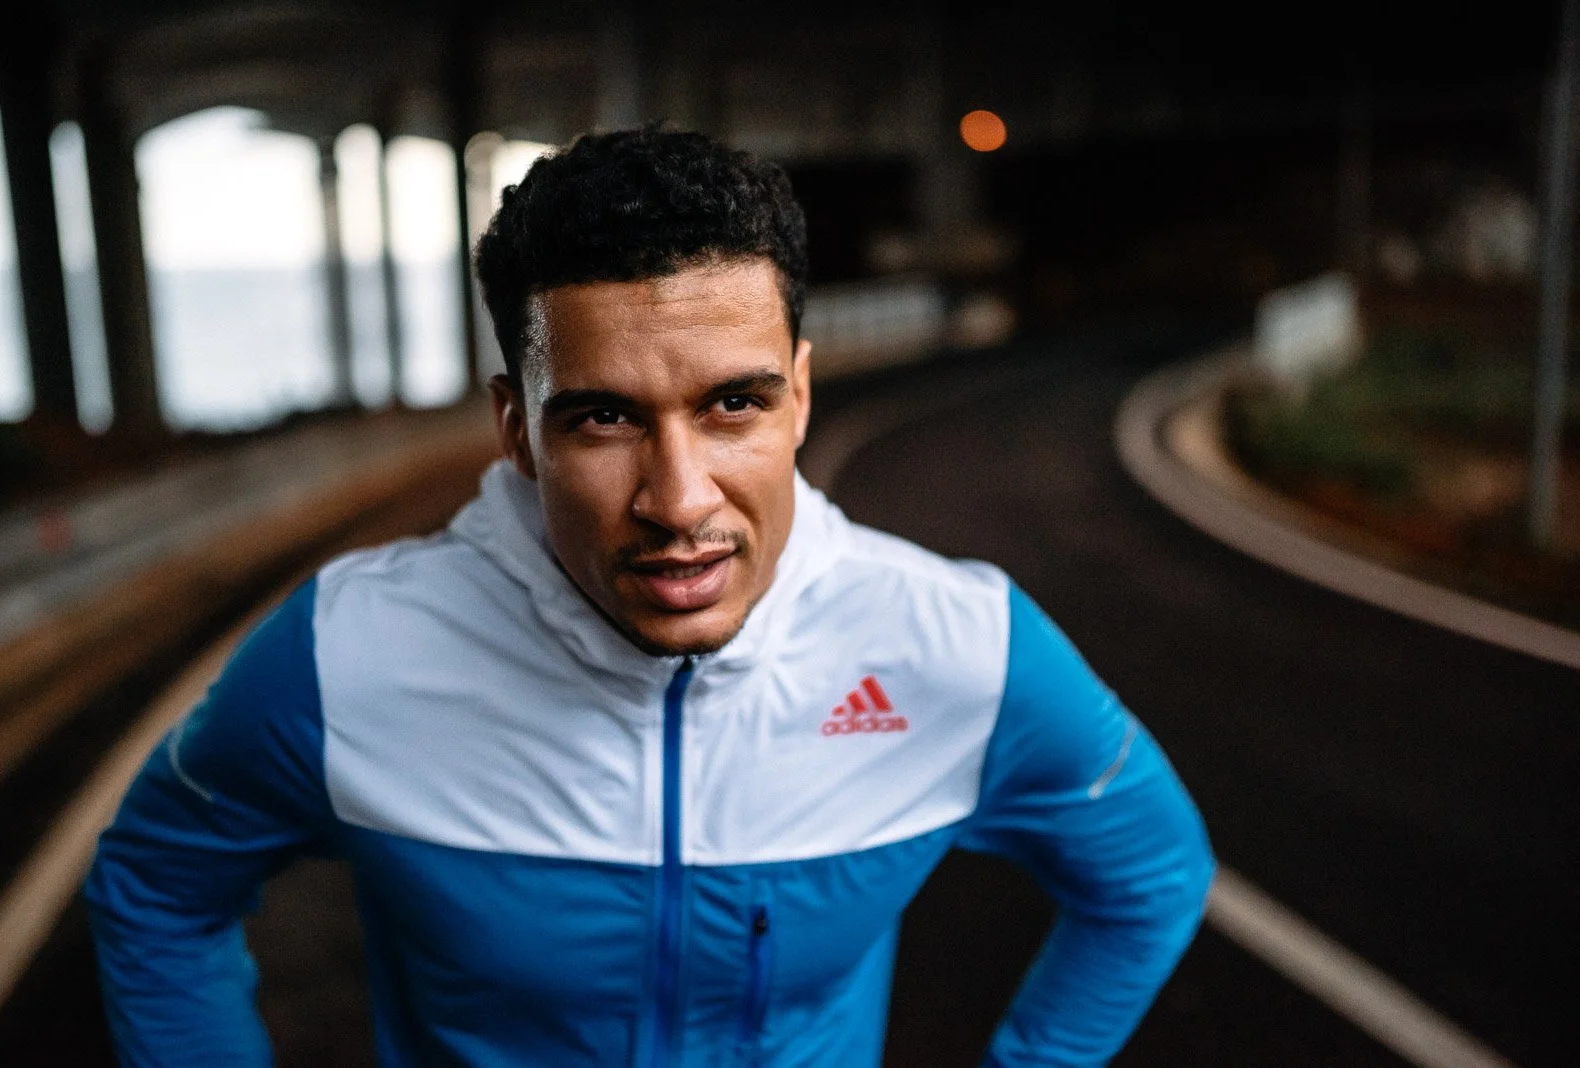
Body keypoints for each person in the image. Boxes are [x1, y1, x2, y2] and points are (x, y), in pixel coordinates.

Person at [86, 126, 1214, 1067]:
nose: (678, 502)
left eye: (734, 405)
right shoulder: (344, 654)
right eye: (604, 418)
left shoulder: (956, 646)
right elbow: (153, 884)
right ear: (515, 428)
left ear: (802, 397)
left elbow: (1152, 875)